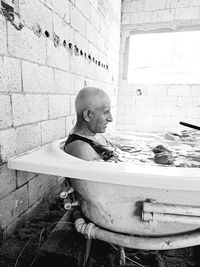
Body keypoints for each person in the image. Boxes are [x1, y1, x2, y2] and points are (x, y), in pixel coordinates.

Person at [64, 87, 116, 161]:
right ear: (88, 115)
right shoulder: (82, 149)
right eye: (105, 113)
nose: (110, 119)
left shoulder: (94, 135)